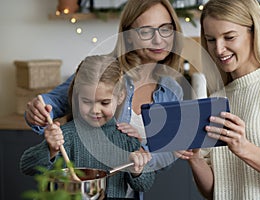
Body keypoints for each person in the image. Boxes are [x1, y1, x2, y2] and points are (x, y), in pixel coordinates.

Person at [24, 0, 184, 198]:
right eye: (146, 31)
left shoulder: (171, 90)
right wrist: (38, 108)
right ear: (129, 36)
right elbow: (53, 102)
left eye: (165, 29)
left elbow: (166, 154)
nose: (158, 40)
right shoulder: (105, 72)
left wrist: (140, 150)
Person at [177, 0, 260, 199]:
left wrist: (244, 148)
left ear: (254, 32)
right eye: (210, 39)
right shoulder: (216, 98)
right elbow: (215, 191)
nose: (218, 49)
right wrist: (196, 159)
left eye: (229, 37)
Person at [20, 55, 155, 199]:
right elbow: (27, 166)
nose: (95, 110)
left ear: (120, 96)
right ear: (76, 96)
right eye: (87, 101)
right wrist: (50, 149)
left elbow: (144, 185)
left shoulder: (126, 138)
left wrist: (138, 170)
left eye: (104, 103)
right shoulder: (67, 135)